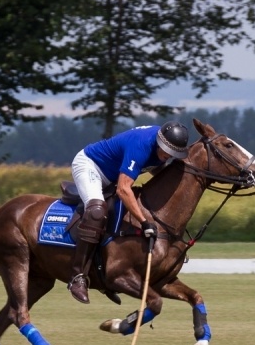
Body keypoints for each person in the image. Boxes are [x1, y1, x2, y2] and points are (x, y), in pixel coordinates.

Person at [67, 121, 190, 304]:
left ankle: (103, 273)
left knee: (117, 215)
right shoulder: (141, 145)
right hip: (91, 166)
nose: (167, 156)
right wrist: (143, 221)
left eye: (172, 154)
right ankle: (77, 277)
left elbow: (158, 171)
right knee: (97, 211)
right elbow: (124, 189)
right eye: (165, 151)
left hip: (113, 175)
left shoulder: (164, 147)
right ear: (159, 141)